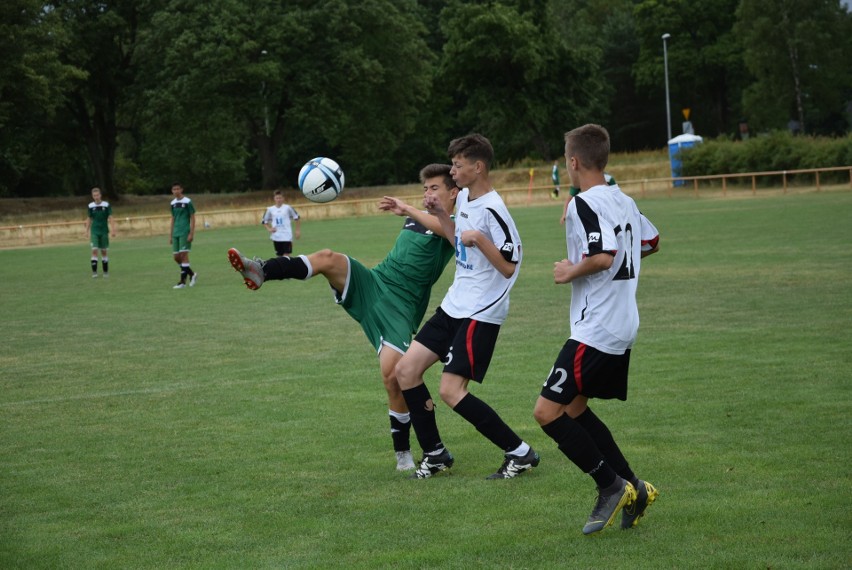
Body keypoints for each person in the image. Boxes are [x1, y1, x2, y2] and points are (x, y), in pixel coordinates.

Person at [227, 164, 459, 471]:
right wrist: (410, 209)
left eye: (434, 189)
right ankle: (261, 270)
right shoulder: (417, 215)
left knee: (394, 376)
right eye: (425, 189)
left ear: (453, 192)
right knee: (327, 257)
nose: (427, 194)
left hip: (402, 307)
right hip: (376, 283)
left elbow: (450, 234)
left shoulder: (455, 222)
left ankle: (404, 454)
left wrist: (407, 208)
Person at [533, 124, 660, 535]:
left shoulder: (585, 203)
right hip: (622, 321)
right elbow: (651, 241)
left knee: (547, 412)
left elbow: (604, 256)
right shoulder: (623, 199)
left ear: (572, 162)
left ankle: (610, 486)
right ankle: (635, 488)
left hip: (596, 328)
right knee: (574, 408)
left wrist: (572, 269)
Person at [394, 133, 540, 480]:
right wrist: (444, 215)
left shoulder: (494, 207)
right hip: (454, 305)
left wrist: (481, 239)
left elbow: (509, 265)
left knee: (450, 390)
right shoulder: (467, 201)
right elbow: (457, 238)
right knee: (406, 371)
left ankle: (519, 452)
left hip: (481, 312)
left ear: (478, 166)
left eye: (458, 166)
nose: (453, 171)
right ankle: (435, 453)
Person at [169, 183, 197, 289]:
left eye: (177, 189)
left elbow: (193, 217)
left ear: (181, 189)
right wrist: (170, 235)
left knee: (184, 256)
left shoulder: (187, 202)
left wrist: (191, 233)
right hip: (175, 233)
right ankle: (192, 274)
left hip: (185, 232)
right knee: (176, 257)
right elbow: (173, 219)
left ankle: (182, 282)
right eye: (174, 189)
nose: (176, 191)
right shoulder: (172, 203)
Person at [84, 187, 115, 278]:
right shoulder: (90, 206)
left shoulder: (106, 205)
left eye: (97, 195)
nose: (96, 197)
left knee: (104, 251)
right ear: (92, 196)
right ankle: (94, 272)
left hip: (104, 231)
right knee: (94, 250)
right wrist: (86, 231)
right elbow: (89, 218)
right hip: (94, 231)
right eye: (94, 195)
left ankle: (105, 272)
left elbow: (111, 217)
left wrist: (113, 229)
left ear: (100, 195)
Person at [262, 190, 301, 256]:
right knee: (279, 257)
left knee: (286, 256)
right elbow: (264, 221)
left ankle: (288, 266)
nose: (278, 200)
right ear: (274, 199)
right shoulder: (270, 209)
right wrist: (269, 229)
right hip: (276, 236)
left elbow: (297, 218)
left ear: (283, 198)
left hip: (287, 235)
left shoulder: (288, 208)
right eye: (277, 198)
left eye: (280, 198)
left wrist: (297, 230)